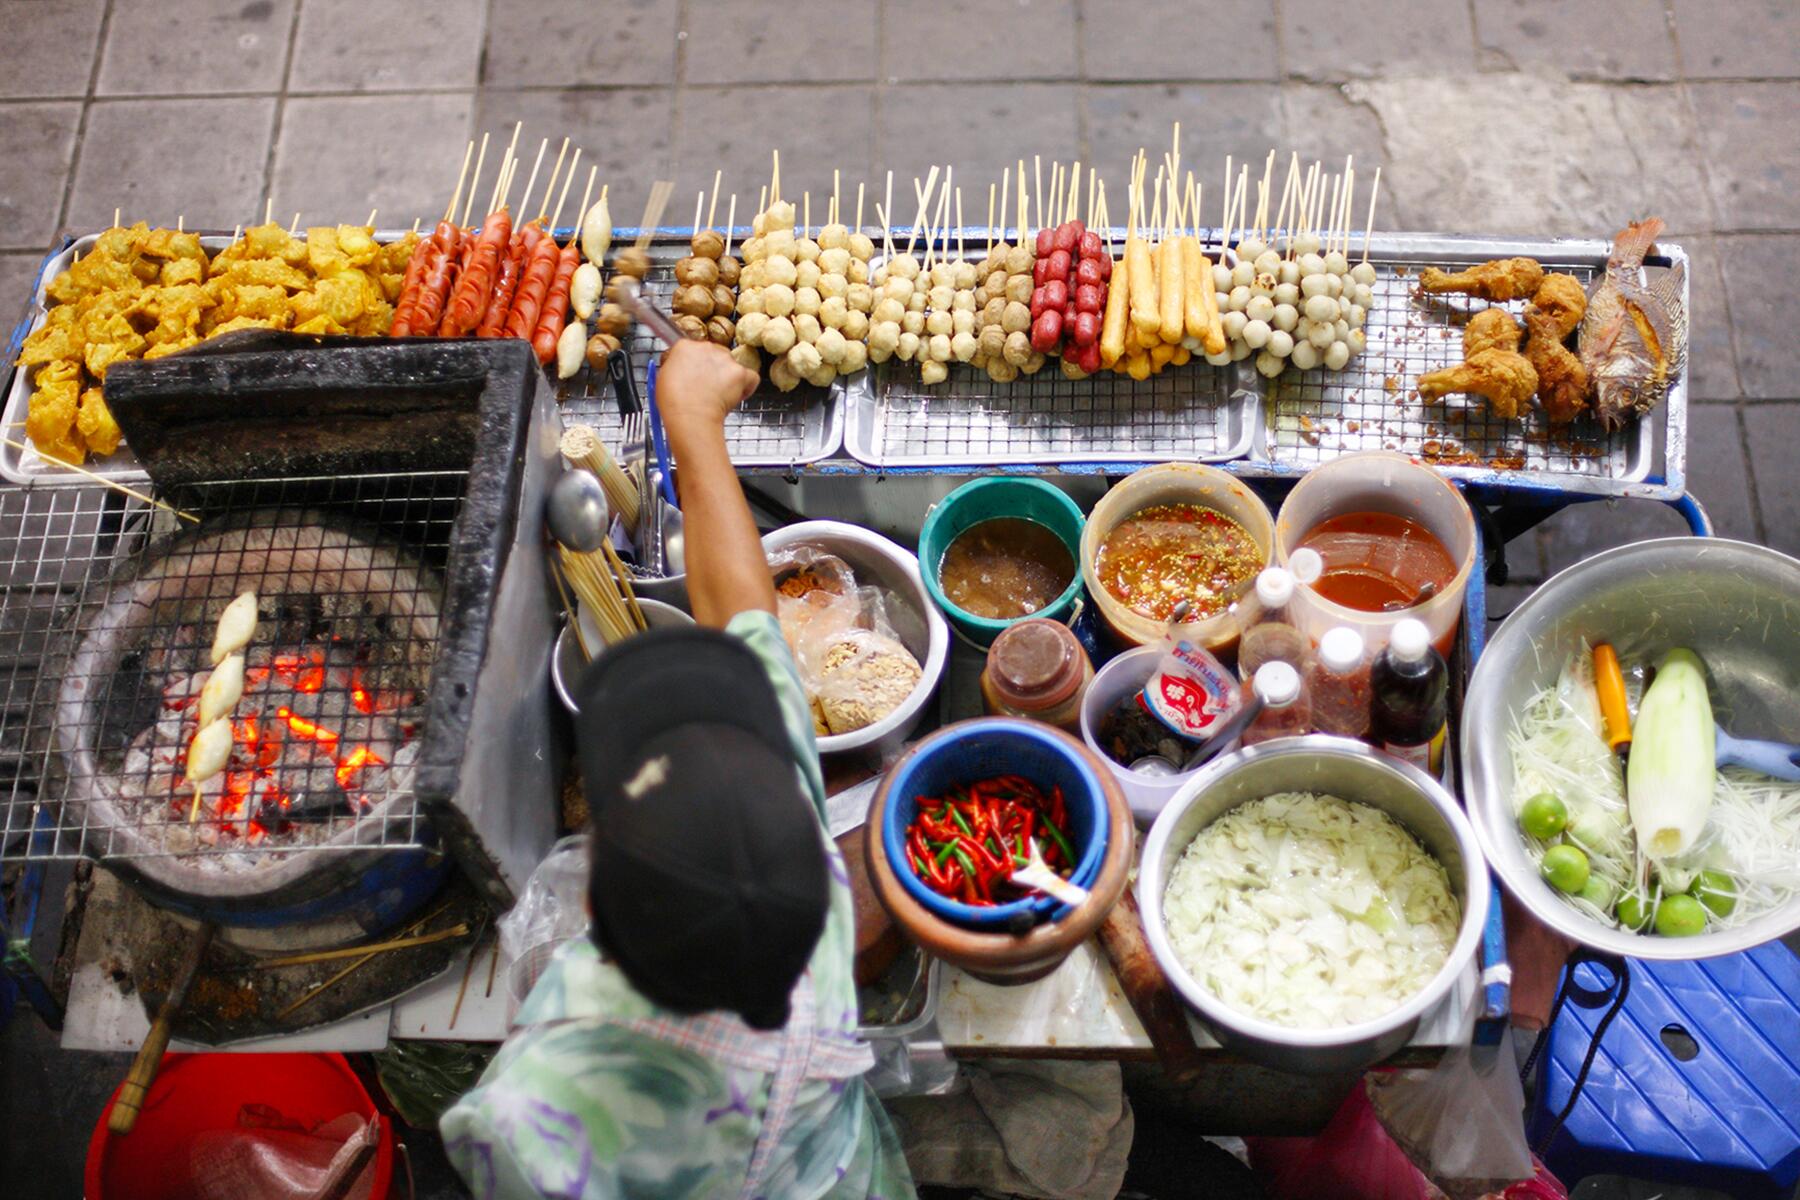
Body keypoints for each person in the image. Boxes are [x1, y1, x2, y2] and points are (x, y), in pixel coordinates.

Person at [441, 340, 916, 1200]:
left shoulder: (529, 1107)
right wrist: (694, 424)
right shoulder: (816, 919)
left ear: (592, 908)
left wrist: (688, 414)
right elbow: (748, 617)